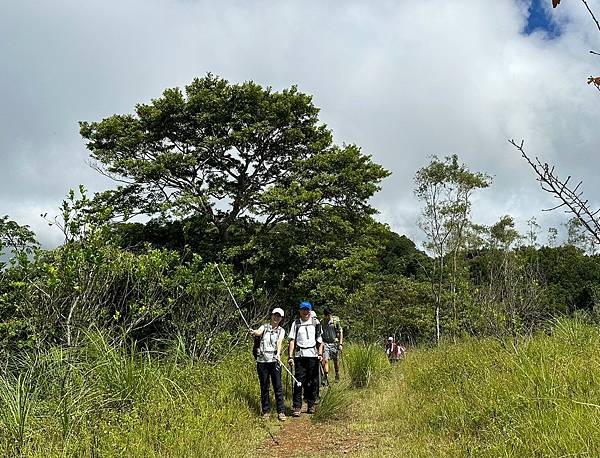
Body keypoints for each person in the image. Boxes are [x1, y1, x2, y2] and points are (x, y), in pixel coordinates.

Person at [250, 307, 287, 421]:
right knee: (264, 387)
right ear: (271, 315)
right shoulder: (264, 327)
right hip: (262, 361)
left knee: (278, 387)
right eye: (275, 315)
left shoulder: (282, 330)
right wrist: (253, 331)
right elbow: (258, 332)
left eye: (279, 316)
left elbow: (279, 342)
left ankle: (281, 411)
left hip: (274, 360)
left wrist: (279, 354)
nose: (276, 317)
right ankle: (266, 411)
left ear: (281, 318)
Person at [288, 301, 323, 417]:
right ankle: (297, 406)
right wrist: (290, 356)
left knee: (312, 381)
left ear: (310, 310)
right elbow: (292, 340)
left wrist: (321, 354)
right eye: (303, 309)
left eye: (307, 309)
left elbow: (320, 340)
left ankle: (311, 404)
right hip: (300, 356)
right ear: (300, 311)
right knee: (298, 381)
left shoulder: (316, 322)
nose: (305, 312)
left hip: (313, 355)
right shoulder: (296, 323)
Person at [321, 307, 343, 385]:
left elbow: (340, 332)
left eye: (329, 315)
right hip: (325, 343)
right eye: (326, 315)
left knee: (335, 361)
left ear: (331, 314)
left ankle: (337, 375)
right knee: (325, 360)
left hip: (334, 344)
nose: (327, 317)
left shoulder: (335, 321)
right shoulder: (322, 322)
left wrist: (340, 344)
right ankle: (325, 377)